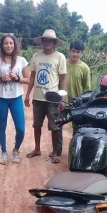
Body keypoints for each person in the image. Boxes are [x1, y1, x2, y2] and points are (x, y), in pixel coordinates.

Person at [24, 29, 67, 164]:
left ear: (54, 43)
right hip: (38, 98)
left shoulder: (60, 57)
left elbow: (63, 79)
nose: (47, 42)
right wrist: (27, 95)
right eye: (45, 40)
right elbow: (32, 76)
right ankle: (37, 149)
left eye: (50, 40)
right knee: (37, 125)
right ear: (42, 42)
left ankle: (54, 152)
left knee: (54, 126)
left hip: (53, 99)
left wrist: (63, 99)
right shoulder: (36, 56)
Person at [0, 34, 30, 164]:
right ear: (2, 46)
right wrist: (1, 79)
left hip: (16, 98)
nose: (9, 45)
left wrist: (17, 78)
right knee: (1, 126)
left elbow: (29, 80)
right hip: (0, 98)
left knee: (21, 128)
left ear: (15, 45)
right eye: (6, 43)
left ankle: (16, 150)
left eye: (11, 43)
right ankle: (3, 152)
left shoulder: (22, 60)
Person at [57, 41, 91, 155]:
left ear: (81, 53)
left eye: (78, 52)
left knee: (77, 128)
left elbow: (87, 88)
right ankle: (57, 151)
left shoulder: (85, 68)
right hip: (62, 101)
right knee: (58, 126)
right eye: (73, 51)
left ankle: (75, 152)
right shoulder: (63, 64)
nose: (75, 54)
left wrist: (84, 104)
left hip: (78, 104)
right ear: (69, 51)